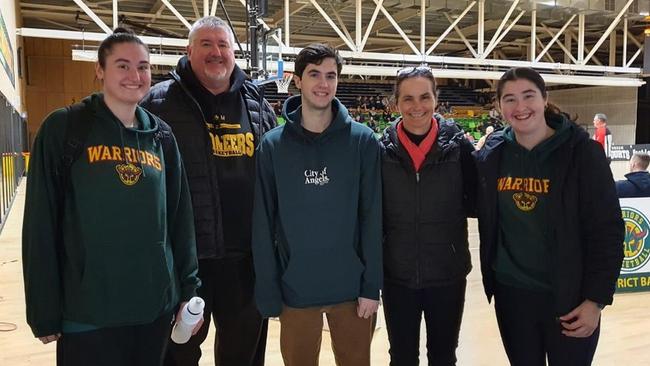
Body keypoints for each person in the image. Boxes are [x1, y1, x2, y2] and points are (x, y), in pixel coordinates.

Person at [22, 28, 201, 366]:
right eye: (122, 65)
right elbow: (40, 224)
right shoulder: (64, 129)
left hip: (153, 311)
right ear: (100, 71)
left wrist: (189, 290)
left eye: (144, 67)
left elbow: (181, 219)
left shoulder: (161, 136)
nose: (135, 76)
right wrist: (43, 307)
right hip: (88, 313)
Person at [140, 16, 275, 366]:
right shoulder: (157, 103)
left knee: (243, 357)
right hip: (185, 263)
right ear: (188, 50)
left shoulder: (258, 104)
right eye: (206, 44)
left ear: (233, 52)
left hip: (246, 262)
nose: (216, 52)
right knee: (177, 354)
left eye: (223, 45)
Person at [474, 67, 624, 366]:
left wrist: (596, 299)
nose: (520, 107)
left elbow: (607, 231)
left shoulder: (582, 154)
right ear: (500, 107)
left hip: (569, 297)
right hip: (512, 295)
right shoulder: (493, 155)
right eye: (510, 99)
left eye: (528, 96)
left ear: (544, 98)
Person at [251, 43, 382, 366]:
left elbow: (373, 216)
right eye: (314, 75)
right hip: (295, 290)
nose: (323, 84)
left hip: (352, 291)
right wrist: (268, 289)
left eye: (331, 75)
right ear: (297, 80)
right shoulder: (272, 146)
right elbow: (263, 222)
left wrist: (371, 286)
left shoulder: (363, 141)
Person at [380, 67, 476, 366]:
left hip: (447, 275)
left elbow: (476, 203)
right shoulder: (379, 151)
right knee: (402, 357)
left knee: (444, 356)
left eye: (424, 97)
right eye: (407, 98)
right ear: (395, 103)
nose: (417, 106)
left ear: (436, 100)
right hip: (397, 276)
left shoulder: (459, 148)